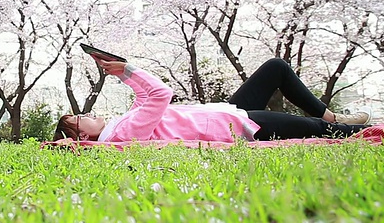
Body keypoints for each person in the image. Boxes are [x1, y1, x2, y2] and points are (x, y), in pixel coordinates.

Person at [53, 58, 373, 142]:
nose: (88, 112)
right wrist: (130, 70)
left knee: (275, 68)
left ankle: (333, 117)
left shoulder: (122, 124)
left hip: (224, 113)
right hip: (235, 126)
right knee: (313, 128)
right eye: (80, 117)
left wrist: (122, 73)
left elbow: (143, 98)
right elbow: (160, 95)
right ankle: (338, 125)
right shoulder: (122, 134)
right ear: (83, 135)